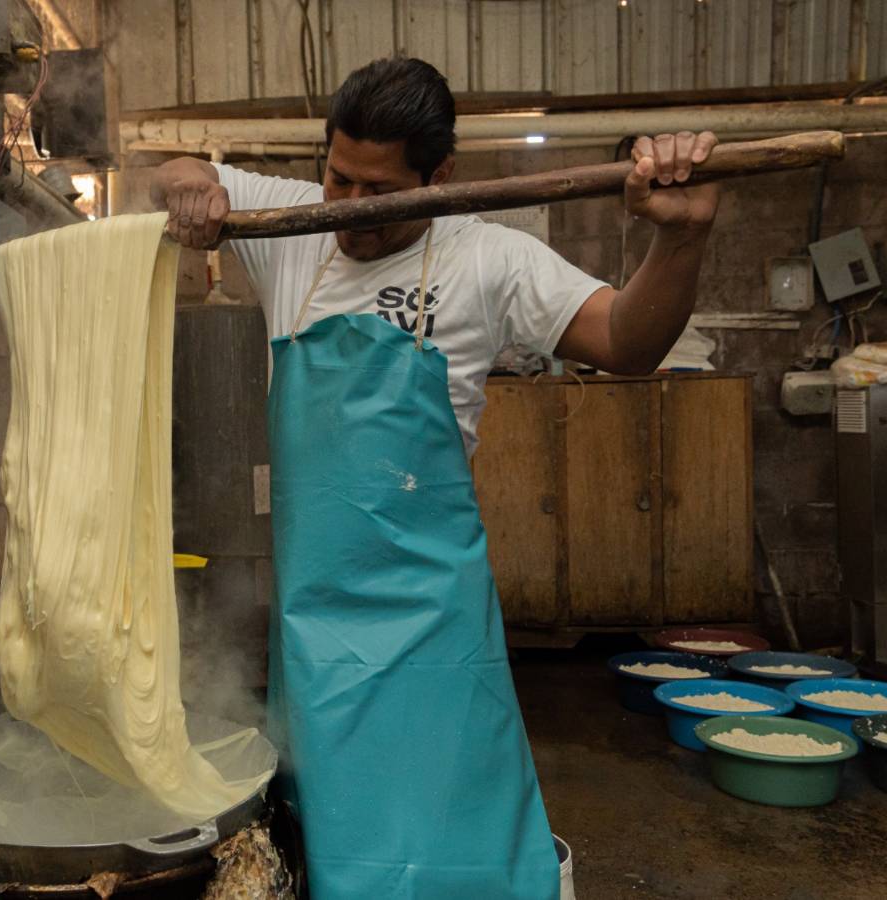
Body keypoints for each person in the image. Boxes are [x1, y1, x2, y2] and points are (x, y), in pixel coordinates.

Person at [152, 57, 719, 900]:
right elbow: (170, 170)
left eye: (376, 190)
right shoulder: (293, 226)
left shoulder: (489, 257)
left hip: (433, 627)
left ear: (439, 176)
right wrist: (191, 185)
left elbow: (628, 343)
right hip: (317, 629)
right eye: (337, 177)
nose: (349, 208)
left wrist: (681, 235)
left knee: (458, 843)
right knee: (334, 844)